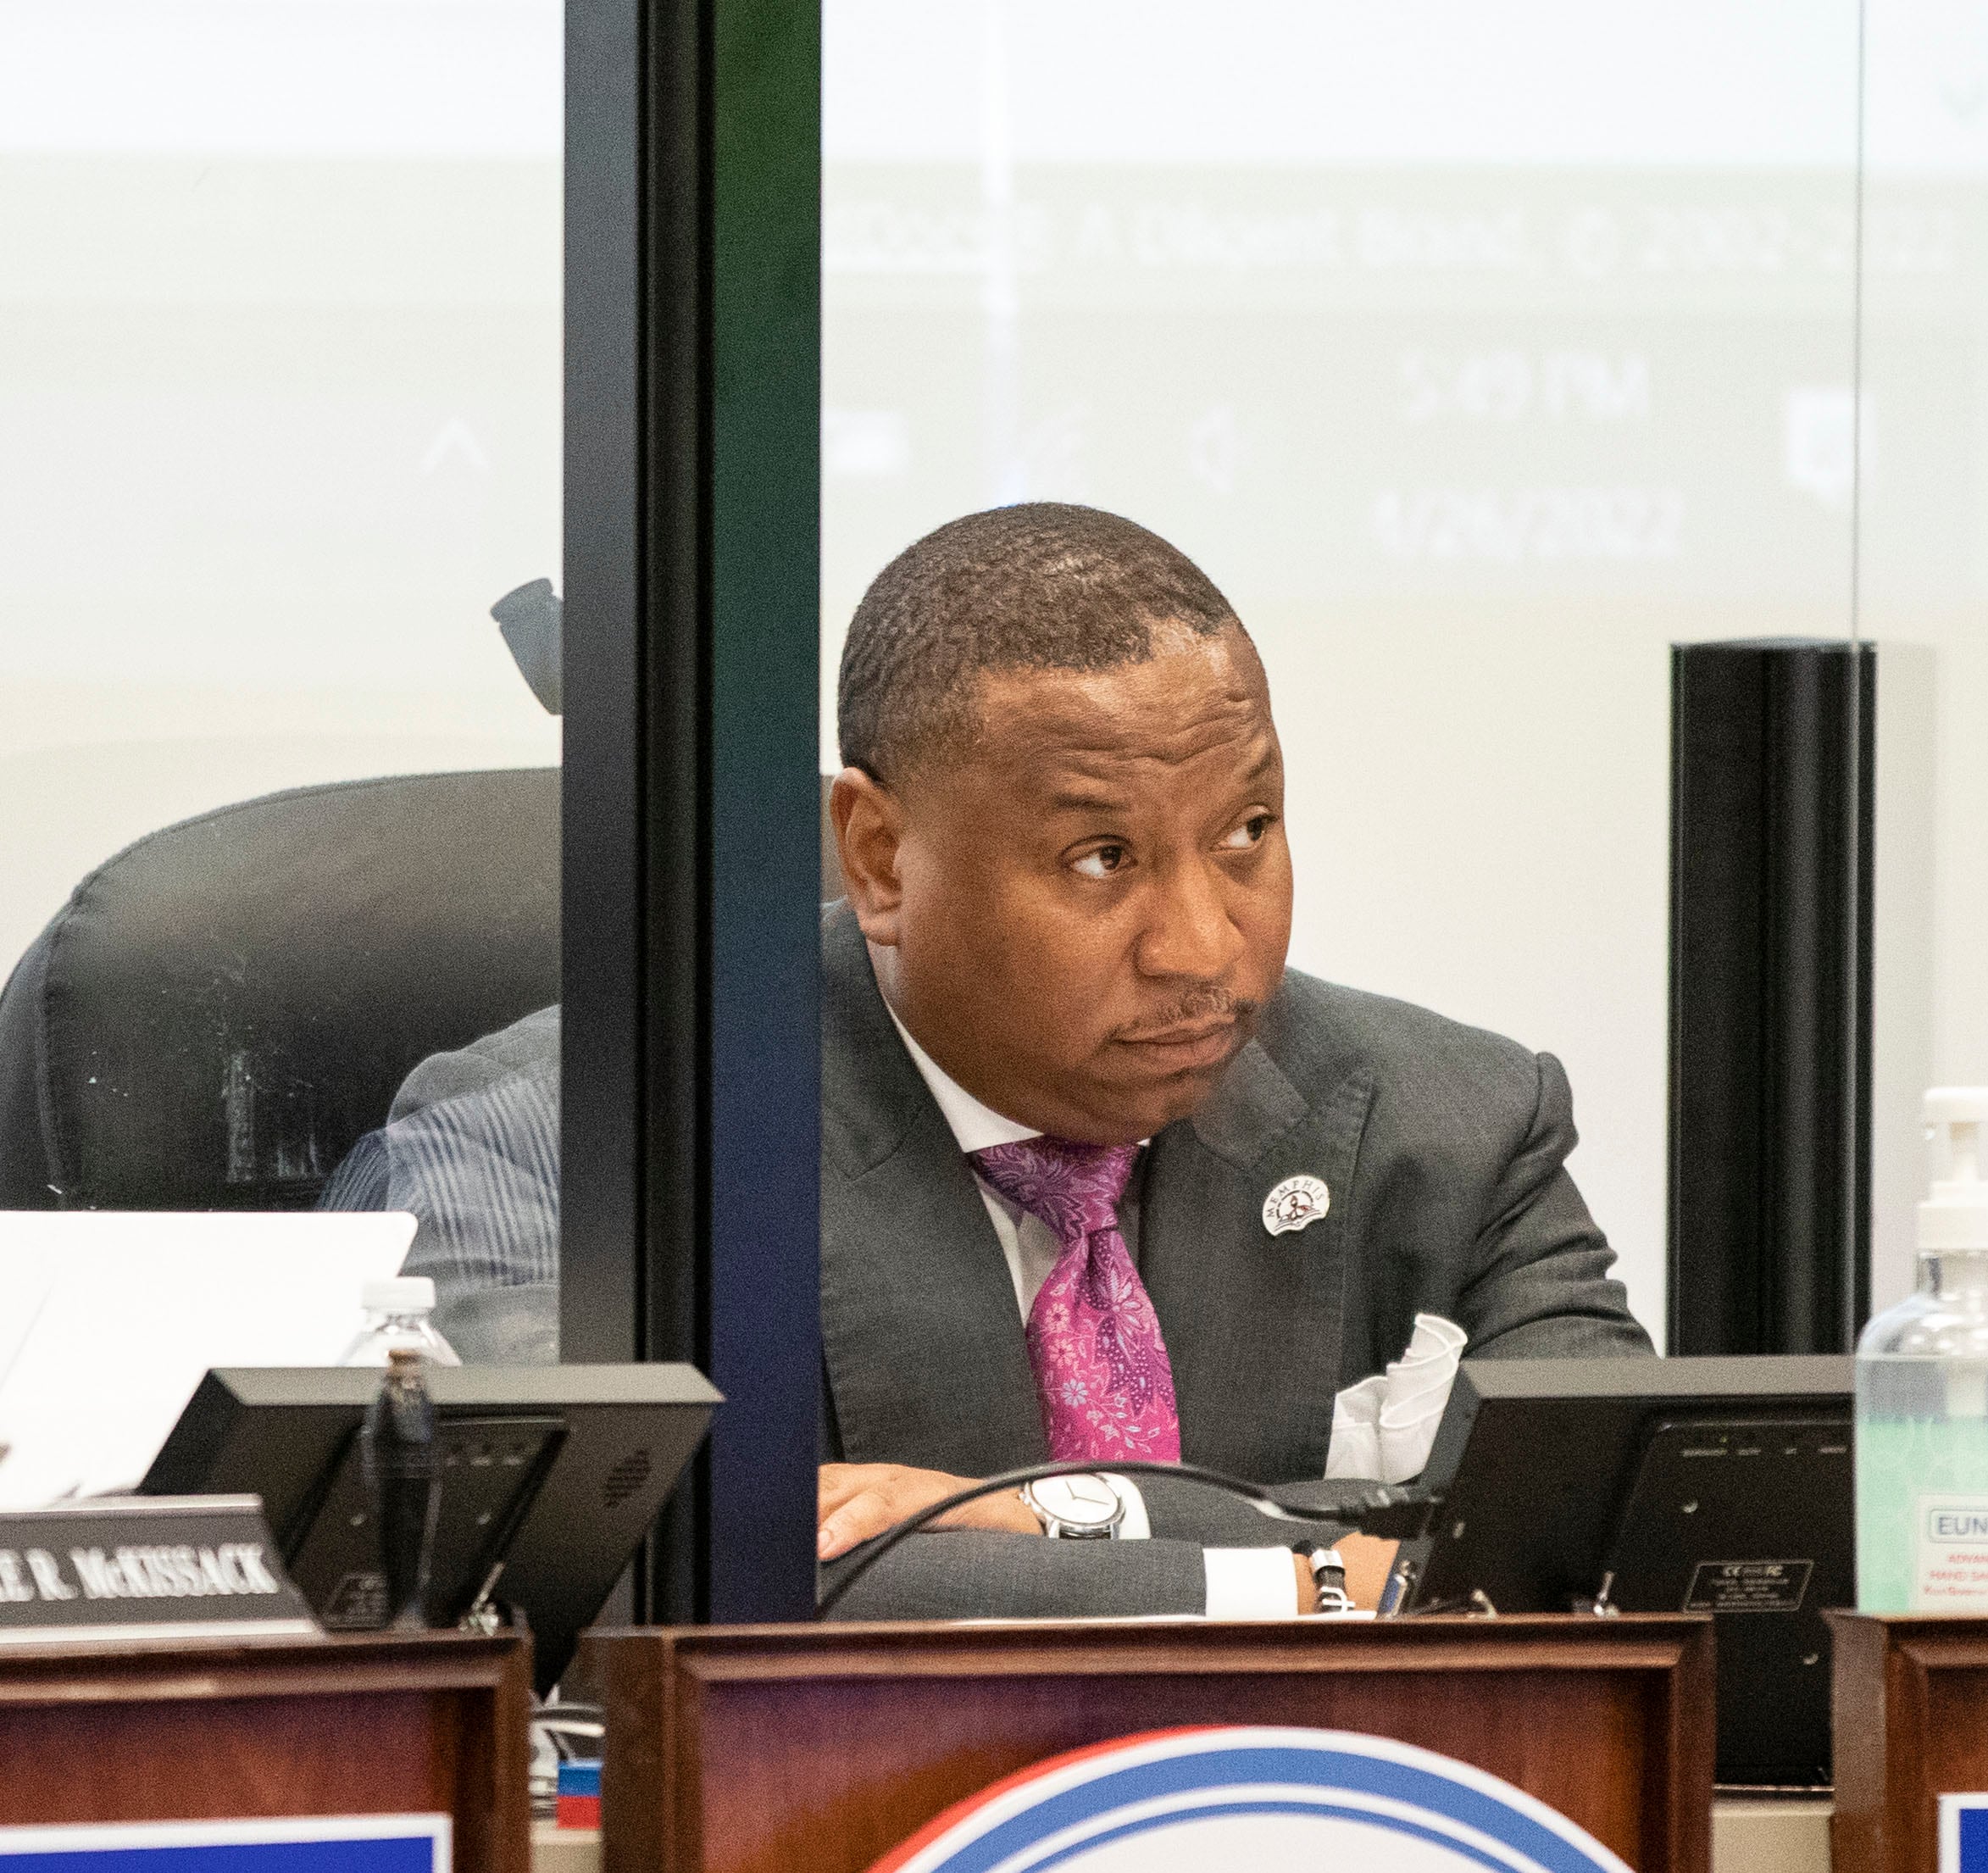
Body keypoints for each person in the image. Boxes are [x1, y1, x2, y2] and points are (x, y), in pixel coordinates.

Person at [324, 502, 1653, 1618]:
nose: (1203, 946)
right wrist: (1332, 1573)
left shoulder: (1457, 1127)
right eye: (1101, 858)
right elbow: (617, 1583)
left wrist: (1052, 1520)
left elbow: (1625, 1567)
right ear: (883, 858)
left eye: (1248, 827)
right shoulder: (555, 1153)